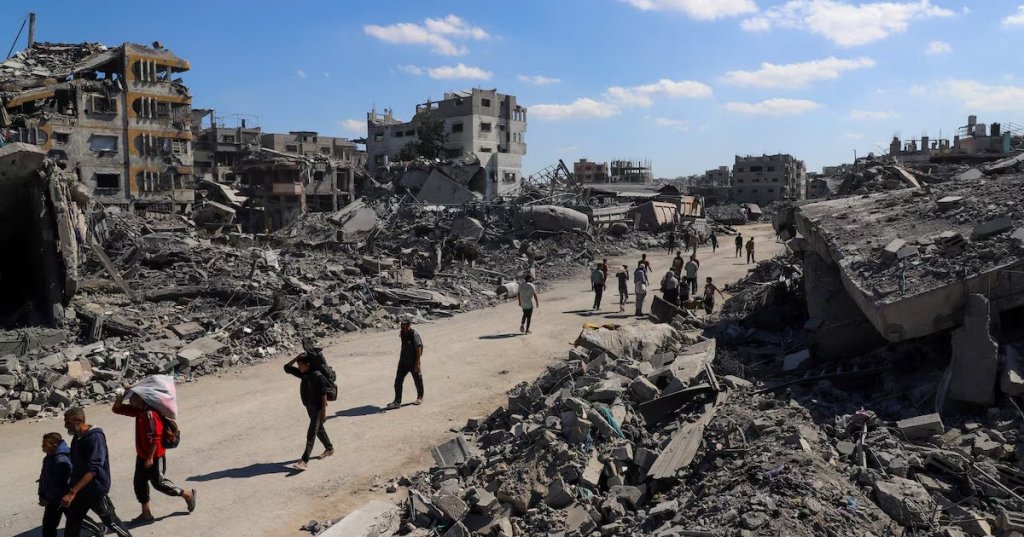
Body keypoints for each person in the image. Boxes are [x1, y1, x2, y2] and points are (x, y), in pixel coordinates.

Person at [112, 391, 196, 522]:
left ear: (142, 398)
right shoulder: (139, 411)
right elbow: (116, 409)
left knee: (159, 483)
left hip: (155, 456)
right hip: (142, 455)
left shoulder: (151, 414)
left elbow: (155, 437)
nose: (130, 401)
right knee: (139, 484)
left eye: (133, 398)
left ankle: (187, 494)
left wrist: (150, 457)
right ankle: (146, 513)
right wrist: (120, 396)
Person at [62, 407, 132, 537]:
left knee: (111, 521)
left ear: (79, 421)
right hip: (80, 489)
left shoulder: (95, 437)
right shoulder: (77, 437)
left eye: (68, 422)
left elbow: (94, 468)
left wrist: (73, 492)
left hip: (95, 490)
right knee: (73, 521)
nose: (66, 426)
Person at [39, 433, 102, 537]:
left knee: (77, 520)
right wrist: (42, 494)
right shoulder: (49, 457)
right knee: (48, 525)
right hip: (53, 497)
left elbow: (63, 483)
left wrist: (49, 497)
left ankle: (99, 529)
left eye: (45, 444)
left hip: (63, 498)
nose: (42, 446)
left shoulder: (61, 461)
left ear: (54, 445)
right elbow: (44, 478)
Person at [284, 355, 334, 470]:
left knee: (312, 432)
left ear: (308, 364)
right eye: (298, 365)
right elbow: (287, 368)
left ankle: (304, 461)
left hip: (318, 408)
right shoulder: (304, 373)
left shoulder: (317, 375)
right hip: (310, 407)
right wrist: (296, 358)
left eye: (301, 365)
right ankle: (329, 448)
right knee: (319, 429)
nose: (299, 367)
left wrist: (324, 413)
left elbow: (323, 394)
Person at [387, 317, 424, 410]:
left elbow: (419, 348)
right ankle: (397, 402)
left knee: (417, 379)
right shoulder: (402, 333)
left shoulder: (414, 334)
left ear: (409, 325)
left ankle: (420, 397)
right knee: (398, 381)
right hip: (403, 361)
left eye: (404, 324)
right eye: (401, 324)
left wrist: (417, 363)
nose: (402, 326)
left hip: (413, 361)